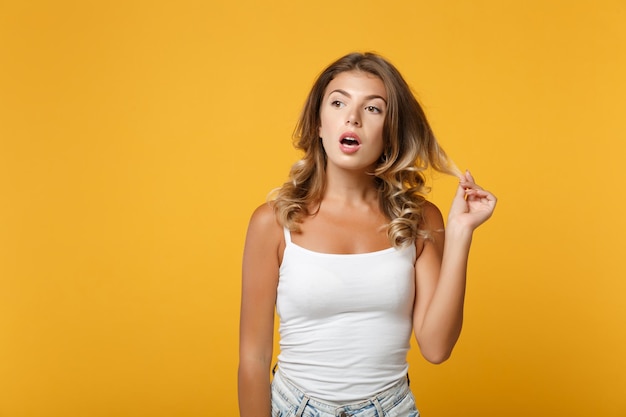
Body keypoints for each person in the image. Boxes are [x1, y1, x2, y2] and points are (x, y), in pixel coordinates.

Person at [238, 52, 497, 417]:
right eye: (339, 102)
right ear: (319, 124)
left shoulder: (420, 219)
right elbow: (253, 356)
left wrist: (459, 233)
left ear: (391, 130)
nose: (353, 118)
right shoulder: (274, 222)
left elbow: (436, 348)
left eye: (373, 109)